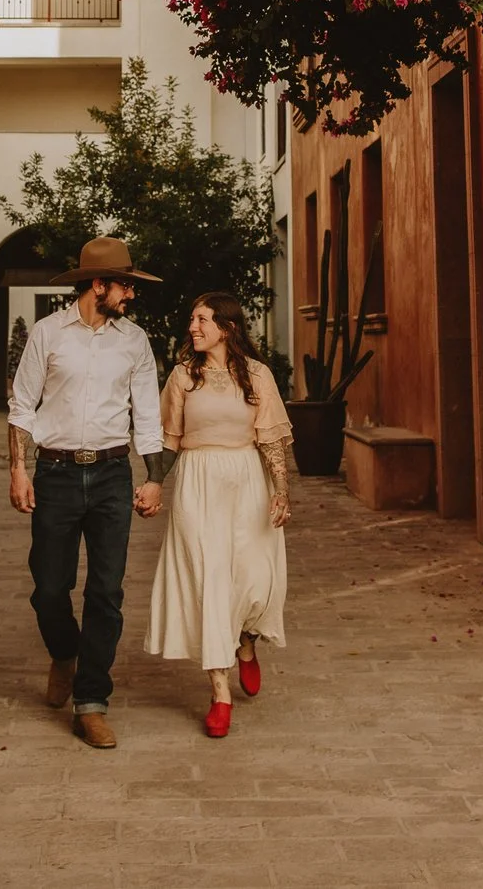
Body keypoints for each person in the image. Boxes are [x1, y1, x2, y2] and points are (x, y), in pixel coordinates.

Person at [7, 236, 170, 749]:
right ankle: (64, 652)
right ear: (97, 285)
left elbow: (147, 415)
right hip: (55, 474)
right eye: (125, 285)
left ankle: (91, 701)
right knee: (49, 587)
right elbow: (21, 406)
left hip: (111, 477)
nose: (131, 295)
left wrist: (155, 477)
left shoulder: (135, 342)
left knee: (106, 591)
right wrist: (18, 469)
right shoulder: (48, 334)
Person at [146, 291, 291, 738]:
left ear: (227, 328)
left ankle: (246, 639)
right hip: (197, 481)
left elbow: (269, 438)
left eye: (203, 319)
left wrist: (281, 491)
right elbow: (169, 438)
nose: (194, 326)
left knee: (251, 576)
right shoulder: (181, 378)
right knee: (207, 580)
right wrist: (154, 483)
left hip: (246, 480)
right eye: (192, 318)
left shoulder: (258, 376)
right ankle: (219, 692)